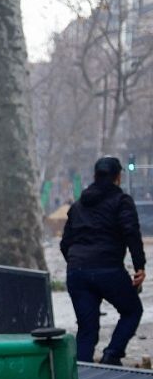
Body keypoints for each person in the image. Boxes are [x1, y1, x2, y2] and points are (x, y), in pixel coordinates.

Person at [60, 156, 145, 365]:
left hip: (77, 271)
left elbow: (65, 243)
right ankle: (112, 354)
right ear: (118, 177)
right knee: (132, 310)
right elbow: (131, 233)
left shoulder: (78, 206)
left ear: (94, 177)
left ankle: (80, 377)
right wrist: (139, 266)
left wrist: (75, 264)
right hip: (108, 269)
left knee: (87, 328)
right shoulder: (121, 201)